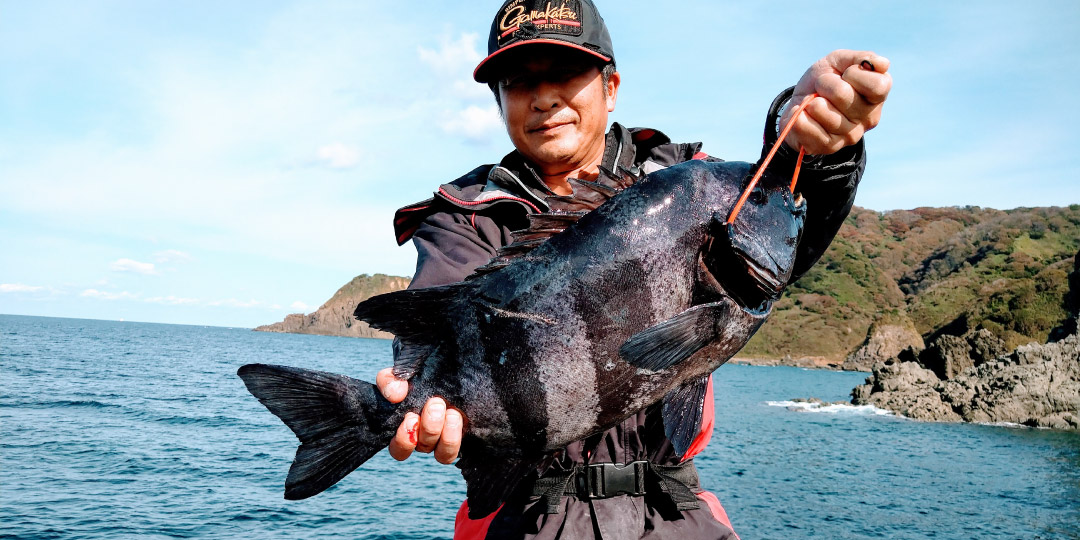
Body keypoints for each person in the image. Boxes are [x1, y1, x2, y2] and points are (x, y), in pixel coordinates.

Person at [375, 1, 891, 538]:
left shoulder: (690, 182)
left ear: (611, 86)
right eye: (518, 80)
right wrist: (413, 397)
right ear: (498, 99)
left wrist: (815, 143)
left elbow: (781, 219)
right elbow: (437, 318)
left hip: (675, 515)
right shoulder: (466, 216)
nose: (544, 96)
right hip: (524, 518)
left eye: (566, 73)